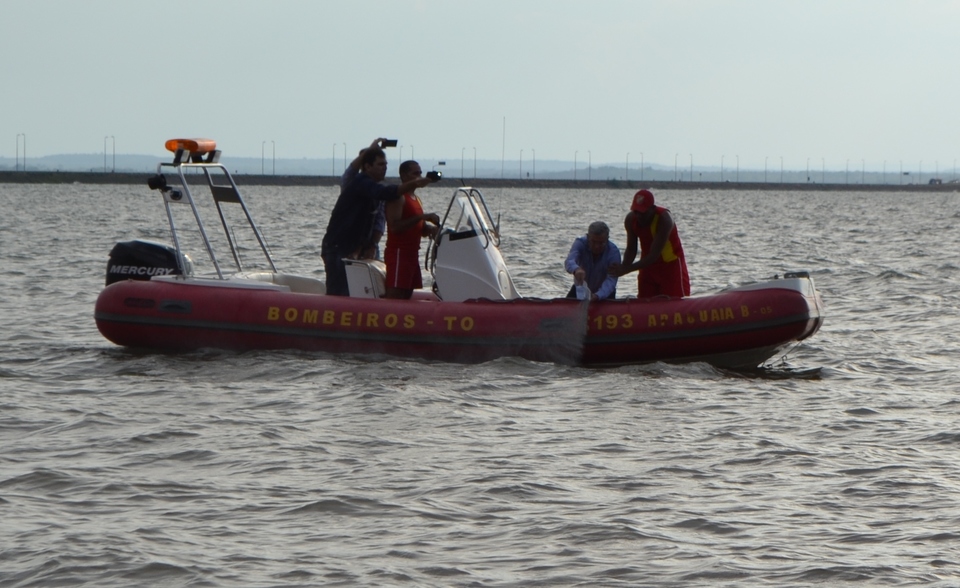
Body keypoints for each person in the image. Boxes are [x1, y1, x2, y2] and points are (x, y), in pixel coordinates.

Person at [321, 139, 434, 296]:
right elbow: (386, 193)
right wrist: (415, 183)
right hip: (339, 246)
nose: (385, 168)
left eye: (386, 165)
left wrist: (372, 244)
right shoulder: (360, 182)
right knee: (340, 292)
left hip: (360, 247)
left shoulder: (377, 187)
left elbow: (379, 221)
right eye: (381, 165)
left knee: (363, 291)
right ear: (367, 167)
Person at [609, 189, 690, 298]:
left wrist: (627, 269)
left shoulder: (664, 219)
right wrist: (623, 266)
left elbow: (654, 255)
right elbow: (631, 249)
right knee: (644, 300)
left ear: (652, 209)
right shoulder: (630, 219)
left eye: (643, 212)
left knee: (674, 301)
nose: (639, 216)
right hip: (646, 266)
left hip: (670, 266)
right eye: (636, 212)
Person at [383, 160, 441, 299]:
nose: (419, 176)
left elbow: (418, 228)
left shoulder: (416, 199)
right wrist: (422, 216)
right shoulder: (398, 198)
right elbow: (395, 227)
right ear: (404, 176)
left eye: (420, 173)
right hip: (399, 253)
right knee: (396, 294)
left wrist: (430, 229)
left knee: (408, 293)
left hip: (412, 254)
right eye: (415, 173)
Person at [564, 221, 620, 301]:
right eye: (593, 242)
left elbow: (611, 280)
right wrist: (576, 269)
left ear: (607, 240)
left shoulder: (613, 252)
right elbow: (570, 260)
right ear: (588, 237)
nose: (597, 246)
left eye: (601, 243)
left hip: (605, 293)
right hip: (581, 289)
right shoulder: (580, 243)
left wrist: (598, 295)